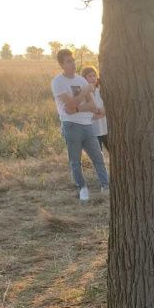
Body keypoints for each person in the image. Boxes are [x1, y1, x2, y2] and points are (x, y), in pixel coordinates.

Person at [51, 49, 109, 201]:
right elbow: (70, 104)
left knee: (98, 157)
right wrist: (83, 94)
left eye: (74, 60)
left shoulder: (81, 80)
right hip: (71, 126)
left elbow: (91, 104)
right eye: (69, 61)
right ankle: (82, 188)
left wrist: (77, 108)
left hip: (87, 124)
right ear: (61, 64)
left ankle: (105, 185)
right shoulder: (58, 82)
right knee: (75, 161)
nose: (73, 63)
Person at [81, 66, 108, 152]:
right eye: (89, 76)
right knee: (98, 155)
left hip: (106, 128)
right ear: (84, 78)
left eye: (94, 75)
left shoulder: (101, 90)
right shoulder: (83, 94)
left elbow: (108, 108)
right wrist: (102, 112)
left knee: (115, 153)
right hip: (93, 131)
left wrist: (98, 111)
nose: (93, 78)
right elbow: (86, 114)